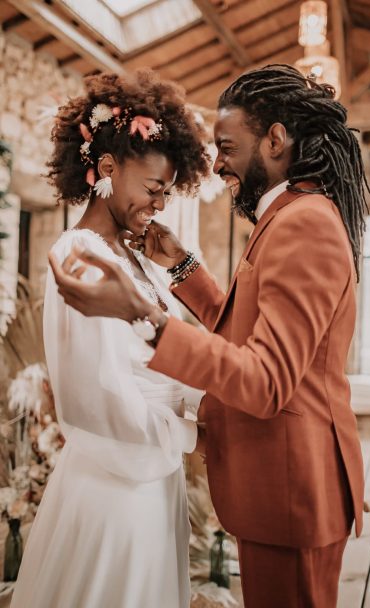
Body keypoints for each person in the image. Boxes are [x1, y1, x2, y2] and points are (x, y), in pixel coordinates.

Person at [50, 64, 367, 608]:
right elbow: (253, 329)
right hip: (267, 485)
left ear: (275, 139)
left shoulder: (302, 221)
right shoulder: (288, 216)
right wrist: (183, 270)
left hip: (290, 489)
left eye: (227, 146)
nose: (218, 164)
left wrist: (148, 320)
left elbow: (267, 379)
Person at [11, 70, 209, 608]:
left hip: (152, 479)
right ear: (105, 168)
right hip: (114, 492)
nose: (160, 205)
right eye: (152, 189)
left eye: (168, 192)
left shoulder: (136, 257)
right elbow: (96, 399)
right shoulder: (82, 257)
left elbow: (173, 354)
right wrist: (194, 436)